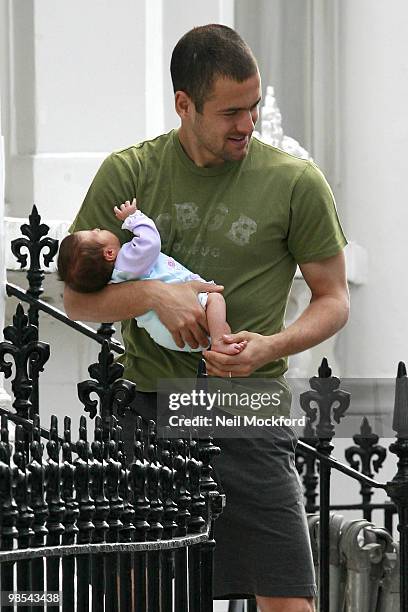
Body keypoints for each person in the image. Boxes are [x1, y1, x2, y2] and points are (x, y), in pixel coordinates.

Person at [64, 24, 349, 612]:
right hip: (147, 403)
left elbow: (333, 297)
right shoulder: (129, 175)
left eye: (254, 107)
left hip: (247, 406)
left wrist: (270, 347)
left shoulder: (295, 182)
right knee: (133, 593)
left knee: (288, 596)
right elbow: (77, 299)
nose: (247, 124)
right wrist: (151, 296)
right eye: (230, 112)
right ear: (184, 105)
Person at [58, 198, 246, 355]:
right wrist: (133, 218)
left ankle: (219, 339)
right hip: (187, 315)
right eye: (95, 233)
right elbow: (150, 241)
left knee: (215, 326)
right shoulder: (128, 259)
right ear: (108, 253)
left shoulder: (113, 277)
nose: (97, 228)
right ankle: (220, 342)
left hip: (165, 336)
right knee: (215, 299)